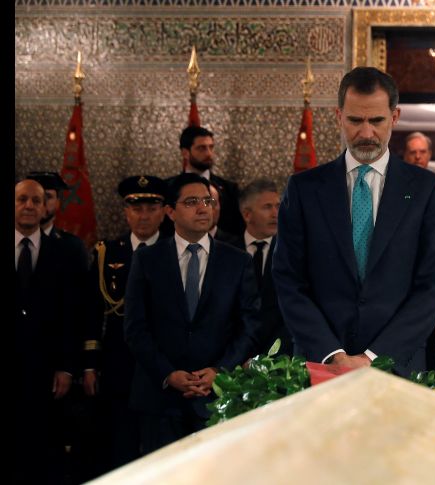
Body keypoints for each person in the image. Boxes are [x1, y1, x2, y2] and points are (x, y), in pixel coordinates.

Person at [272, 66, 435, 376]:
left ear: (395, 117)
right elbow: (289, 281)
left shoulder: (427, 190)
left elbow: (431, 287)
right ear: (339, 115)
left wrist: (373, 357)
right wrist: (333, 354)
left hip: (398, 367)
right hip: (321, 364)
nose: (366, 133)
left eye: (377, 121)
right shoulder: (304, 189)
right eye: (355, 120)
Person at [124, 173, 262, 454]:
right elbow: (135, 328)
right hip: (159, 398)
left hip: (216, 396)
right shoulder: (147, 259)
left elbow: (249, 326)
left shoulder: (237, 261)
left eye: (208, 201)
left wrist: (220, 371)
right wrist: (168, 374)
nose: (203, 208)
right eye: (191, 202)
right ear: (170, 211)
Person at [82, 175, 166, 472]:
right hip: (118, 360)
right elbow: (93, 310)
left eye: (151, 208)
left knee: (160, 442)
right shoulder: (107, 251)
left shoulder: (173, 250)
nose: (143, 216)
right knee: (120, 440)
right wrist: (90, 364)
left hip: (162, 360)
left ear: (164, 211)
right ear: (125, 212)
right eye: (136, 208)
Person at [14, 179, 84, 483]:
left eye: (36, 200)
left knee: (45, 454)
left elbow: (74, 314)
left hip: (48, 373)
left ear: (46, 207)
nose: (28, 206)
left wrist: (68, 368)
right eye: (21, 199)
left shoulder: (66, 250)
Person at [237, 178, 293, 357]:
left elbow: (292, 311)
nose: (276, 213)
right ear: (247, 214)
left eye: (278, 206)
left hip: (279, 356)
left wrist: (266, 359)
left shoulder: (292, 253)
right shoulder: (226, 251)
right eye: (267, 207)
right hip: (231, 359)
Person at [162, 126, 243, 237]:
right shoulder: (167, 187)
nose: (209, 153)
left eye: (211, 147)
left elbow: (236, 228)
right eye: (202, 148)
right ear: (185, 153)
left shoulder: (230, 189)